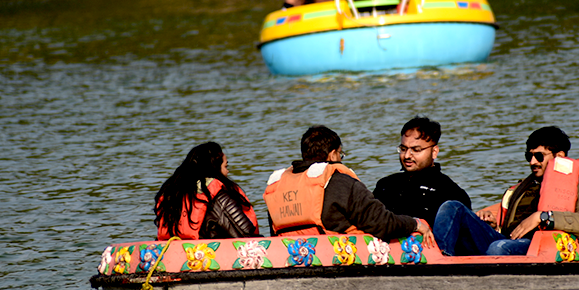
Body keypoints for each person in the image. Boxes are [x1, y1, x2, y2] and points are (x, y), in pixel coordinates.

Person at [433, 126, 579, 272]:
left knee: (499, 248)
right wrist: (493, 222)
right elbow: (509, 226)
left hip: (540, 247)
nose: (532, 162)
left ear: (559, 156)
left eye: (539, 156)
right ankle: (438, 265)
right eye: (529, 156)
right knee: (452, 207)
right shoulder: (524, 186)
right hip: (506, 241)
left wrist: (542, 217)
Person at [263, 125, 434, 245]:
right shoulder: (341, 182)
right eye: (340, 155)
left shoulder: (278, 186)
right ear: (332, 155)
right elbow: (382, 224)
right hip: (342, 259)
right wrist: (416, 224)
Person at [373, 116, 471, 228]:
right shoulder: (385, 185)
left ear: (434, 152)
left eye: (416, 150)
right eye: (403, 149)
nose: (407, 156)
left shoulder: (451, 193)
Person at [154, 142, 259, 240]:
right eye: (226, 166)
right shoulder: (217, 195)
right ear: (215, 168)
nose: (228, 172)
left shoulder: (172, 196)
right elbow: (246, 234)